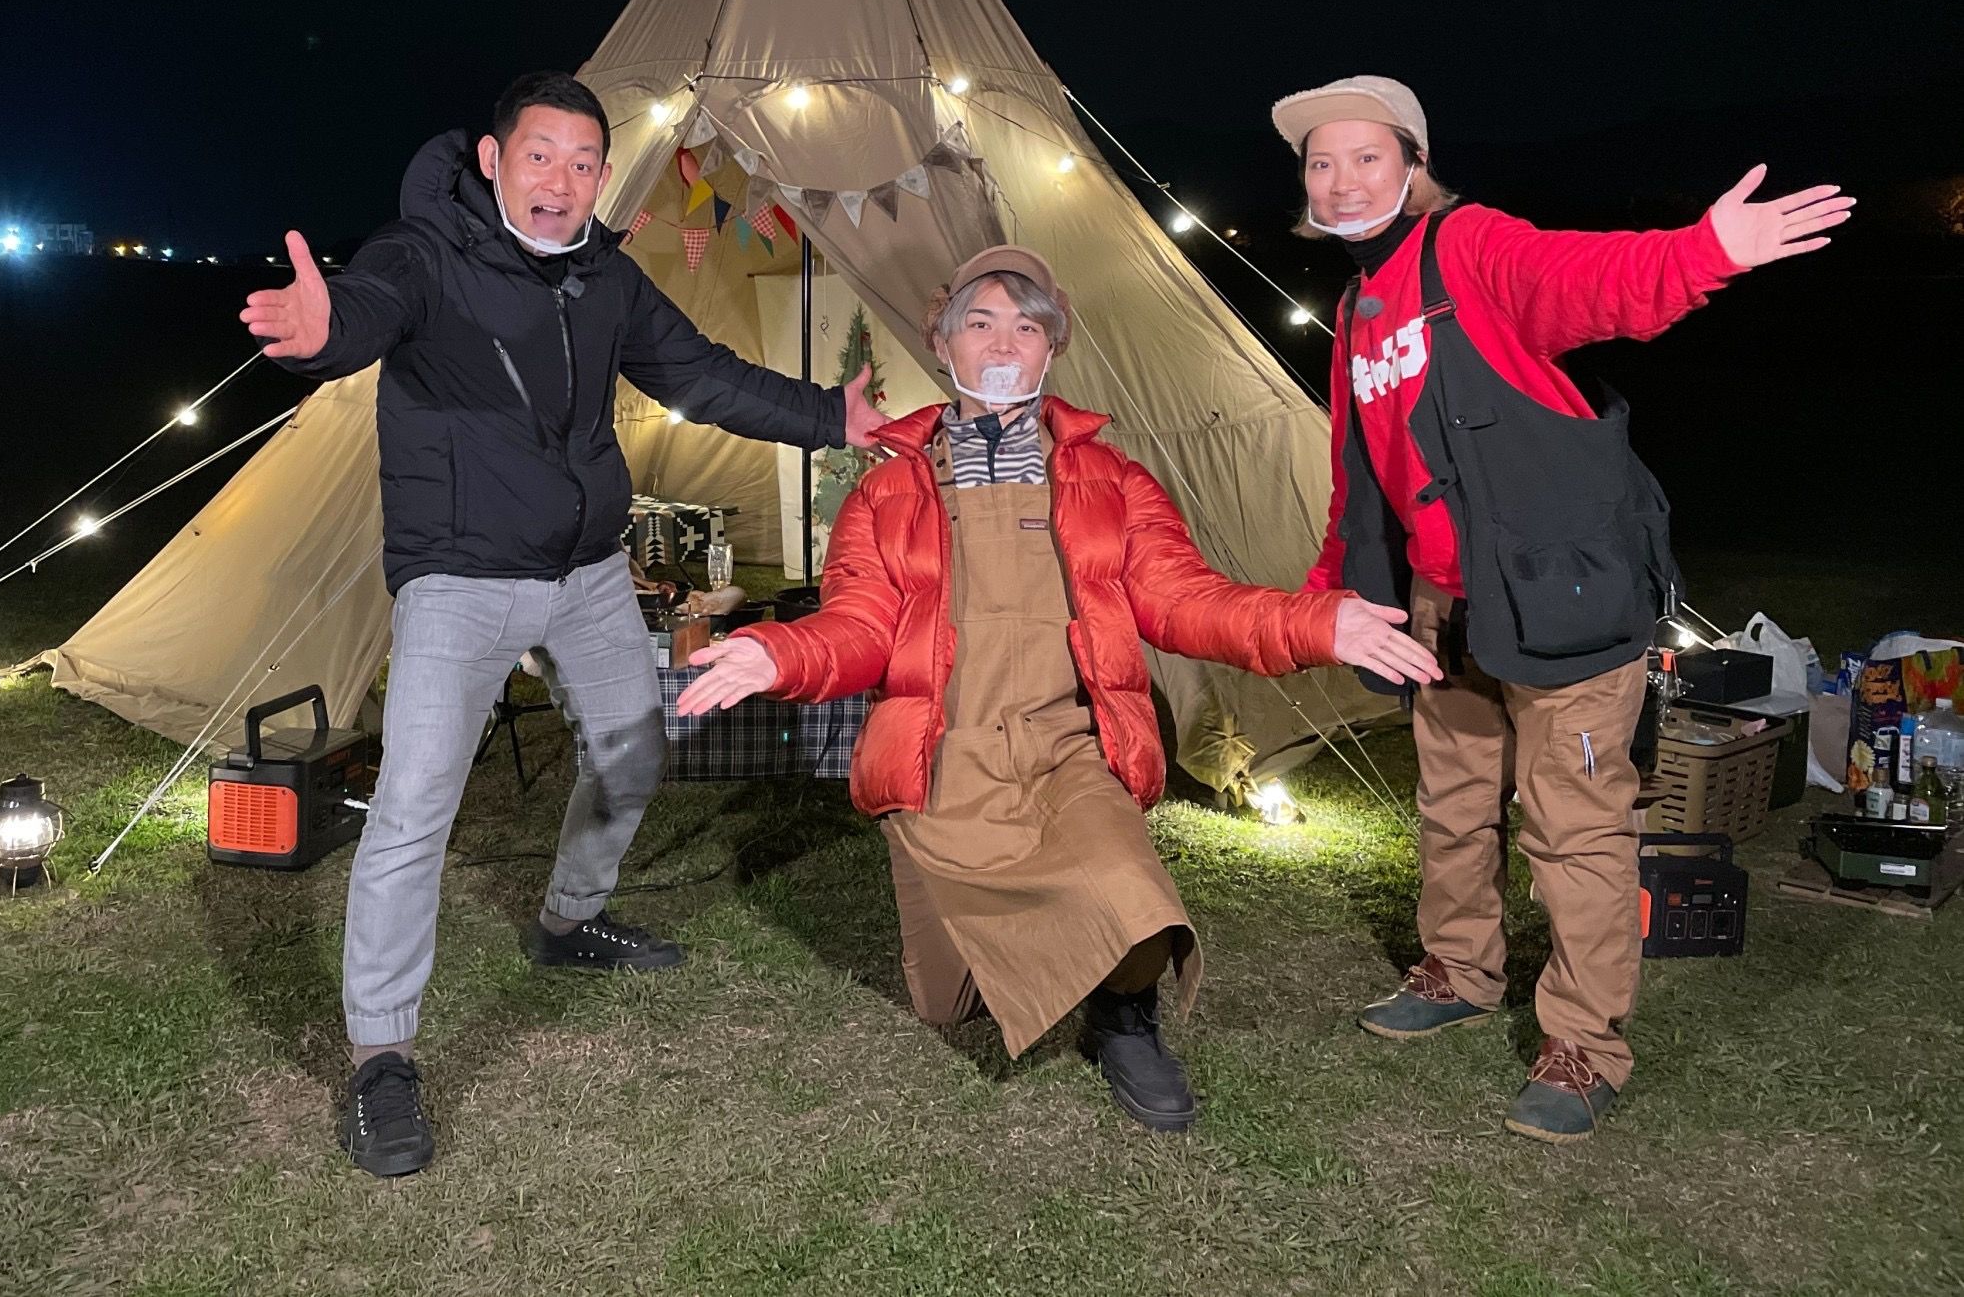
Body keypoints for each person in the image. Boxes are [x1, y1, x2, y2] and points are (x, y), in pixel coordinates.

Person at [242, 70, 886, 1177]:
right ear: (494, 160)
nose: (562, 181)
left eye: (584, 162)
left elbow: (699, 374)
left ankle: (568, 918)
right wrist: (321, 330)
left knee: (634, 748)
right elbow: (366, 309)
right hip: (460, 577)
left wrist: (831, 415)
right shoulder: (425, 253)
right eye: (540, 156)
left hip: (587, 571)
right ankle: (382, 1056)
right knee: (413, 809)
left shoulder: (605, 276)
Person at [676, 245, 1439, 1131]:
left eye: (1027, 327)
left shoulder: (1113, 481)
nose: (1004, 344)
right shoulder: (885, 492)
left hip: (1068, 746)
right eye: (981, 323)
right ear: (943, 343)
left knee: (1133, 893)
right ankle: (976, 906)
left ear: (1053, 348)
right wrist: (778, 653)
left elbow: (1185, 601)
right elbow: (861, 625)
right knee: (945, 1002)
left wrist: (1317, 624)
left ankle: (1124, 1016)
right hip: (945, 756)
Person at [1274, 74, 1851, 1142]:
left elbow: (1587, 281)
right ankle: (1460, 969)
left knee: (1575, 825)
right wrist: (1331, 595)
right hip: (1444, 604)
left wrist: (1705, 251)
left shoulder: (1469, 247)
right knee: (1453, 803)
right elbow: (1362, 475)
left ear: (1414, 166)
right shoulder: (1356, 311)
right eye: (1321, 163)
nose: (1342, 180)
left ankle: (1586, 1042)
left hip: (1558, 597)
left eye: (1366, 157)